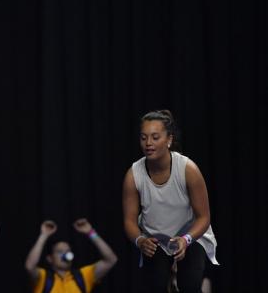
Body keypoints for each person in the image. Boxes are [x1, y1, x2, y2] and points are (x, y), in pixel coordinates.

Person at [122, 110, 218, 292]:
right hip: (155, 237)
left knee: (189, 286)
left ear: (169, 140)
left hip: (190, 235)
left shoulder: (188, 169)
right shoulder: (133, 174)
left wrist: (186, 239)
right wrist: (140, 240)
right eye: (143, 138)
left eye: (155, 137)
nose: (148, 143)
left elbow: (203, 217)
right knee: (156, 285)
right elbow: (129, 220)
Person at [25, 219, 117, 293]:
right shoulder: (43, 278)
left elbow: (110, 260)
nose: (65, 254)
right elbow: (30, 266)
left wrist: (91, 233)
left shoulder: (83, 276)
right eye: (60, 252)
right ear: (50, 259)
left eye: (68, 251)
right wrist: (43, 235)